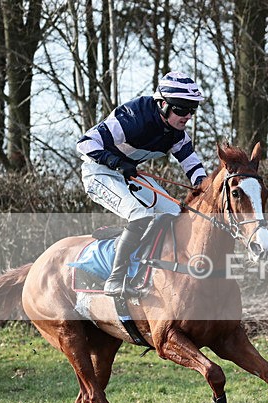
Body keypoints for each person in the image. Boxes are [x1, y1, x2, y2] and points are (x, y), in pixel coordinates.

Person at [77, 71, 208, 297]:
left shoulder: (177, 134)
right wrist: (115, 162)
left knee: (175, 212)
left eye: (192, 110)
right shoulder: (132, 117)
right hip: (98, 172)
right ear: (163, 104)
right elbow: (85, 143)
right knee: (140, 214)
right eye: (182, 109)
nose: (187, 116)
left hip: (128, 174)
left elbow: (193, 167)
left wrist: (208, 193)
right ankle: (115, 280)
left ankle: (134, 246)